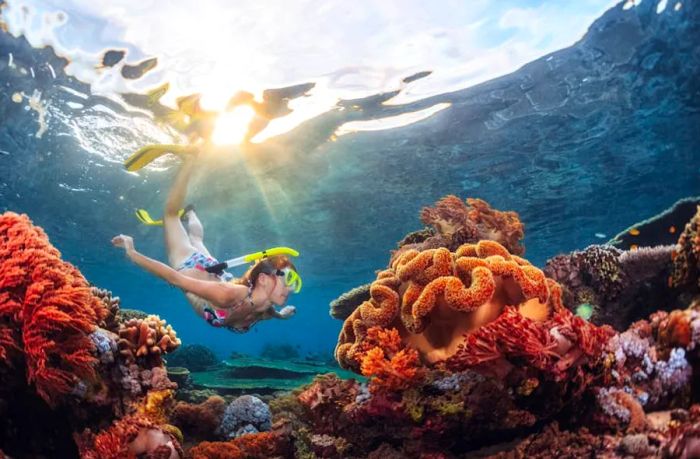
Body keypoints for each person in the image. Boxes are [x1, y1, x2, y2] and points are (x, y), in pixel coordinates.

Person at [111, 156, 300, 333]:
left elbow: (269, 313)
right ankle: (188, 162)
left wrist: (282, 316)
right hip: (189, 265)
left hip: (218, 272)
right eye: (290, 279)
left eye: (295, 283)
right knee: (170, 214)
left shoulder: (265, 306)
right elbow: (174, 278)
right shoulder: (227, 295)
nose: (292, 288)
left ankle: (191, 214)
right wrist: (132, 252)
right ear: (264, 280)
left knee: (197, 240)